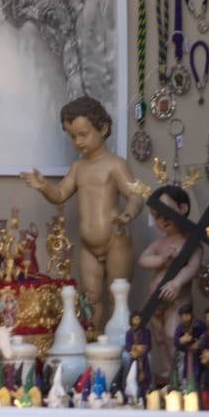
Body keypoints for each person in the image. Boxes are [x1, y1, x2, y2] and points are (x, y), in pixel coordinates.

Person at [22, 96, 143, 331]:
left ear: (103, 128)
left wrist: (127, 215)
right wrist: (44, 186)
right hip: (88, 245)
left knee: (116, 298)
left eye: (83, 134)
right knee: (90, 297)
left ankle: (121, 353)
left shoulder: (115, 165)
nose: (77, 141)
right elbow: (60, 194)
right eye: (72, 136)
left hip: (115, 240)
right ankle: (93, 345)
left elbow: (136, 195)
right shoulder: (78, 168)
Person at [138, 184, 202, 372]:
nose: (162, 219)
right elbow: (143, 260)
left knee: (172, 334)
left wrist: (176, 283)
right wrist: (162, 260)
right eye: (157, 215)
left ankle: (181, 373)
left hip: (177, 301)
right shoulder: (160, 244)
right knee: (158, 337)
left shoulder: (191, 244)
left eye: (167, 211)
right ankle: (168, 370)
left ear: (182, 209)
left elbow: (192, 268)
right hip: (155, 302)